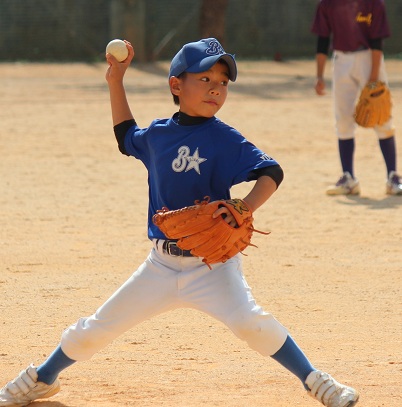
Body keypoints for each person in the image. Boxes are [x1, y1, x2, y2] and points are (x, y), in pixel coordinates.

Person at [0, 38, 359, 407]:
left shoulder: (224, 137)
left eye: (222, 82)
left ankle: (317, 382)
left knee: (253, 324)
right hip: (161, 265)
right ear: (176, 85)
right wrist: (115, 81)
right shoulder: (158, 135)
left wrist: (245, 206)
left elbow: (271, 171)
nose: (216, 89)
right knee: (94, 330)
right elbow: (126, 138)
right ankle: (43, 378)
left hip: (213, 266)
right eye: (205, 79)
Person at [311, 0, 402, 196]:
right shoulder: (328, 4)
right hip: (341, 60)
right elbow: (323, 40)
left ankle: (393, 177)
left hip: (369, 58)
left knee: (382, 116)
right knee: (343, 119)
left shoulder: (373, 3)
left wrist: (373, 77)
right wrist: (319, 76)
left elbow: (377, 42)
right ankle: (348, 178)